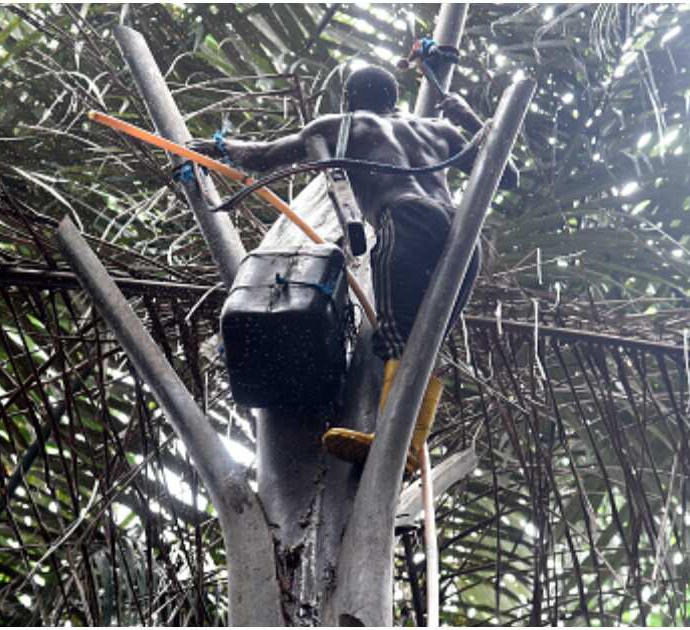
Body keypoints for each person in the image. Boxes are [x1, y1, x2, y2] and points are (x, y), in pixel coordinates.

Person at [193, 66, 516, 473]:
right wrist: (469, 117)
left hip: (405, 220)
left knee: (398, 337)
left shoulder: (337, 125)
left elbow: (264, 156)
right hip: (464, 237)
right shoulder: (437, 130)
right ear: (393, 99)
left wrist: (218, 147)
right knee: (424, 341)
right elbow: (508, 175)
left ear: (347, 99)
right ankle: (409, 442)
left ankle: (395, 441)